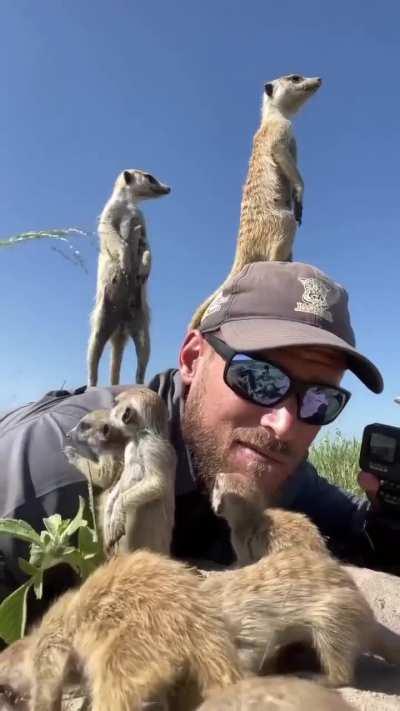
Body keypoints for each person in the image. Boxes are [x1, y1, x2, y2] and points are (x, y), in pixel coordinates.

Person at [0, 261, 394, 619]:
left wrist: (385, 520)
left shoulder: (274, 467)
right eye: (259, 378)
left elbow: (355, 527)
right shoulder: (53, 473)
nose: (284, 425)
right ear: (192, 360)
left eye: (321, 400)